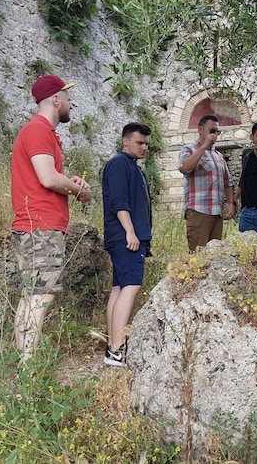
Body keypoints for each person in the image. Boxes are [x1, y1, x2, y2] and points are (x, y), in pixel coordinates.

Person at [11, 74, 92, 364]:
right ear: (56, 100)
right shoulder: (38, 131)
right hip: (41, 226)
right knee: (40, 297)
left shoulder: (42, 133)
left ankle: (25, 370)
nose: (71, 102)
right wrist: (78, 189)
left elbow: (47, 175)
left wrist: (66, 182)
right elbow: (47, 178)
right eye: (67, 97)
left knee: (32, 295)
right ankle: (28, 373)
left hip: (37, 225)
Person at [101, 122, 153, 367]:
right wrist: (130, 232)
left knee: (120, 288)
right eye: (139, 142)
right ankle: (116, 348)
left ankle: (113, 347)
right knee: (131, 285)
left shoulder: (129, 166)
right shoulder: (120, 164)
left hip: (123, 237)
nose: (144, 147)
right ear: (125, 141)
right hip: (126, 237)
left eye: (146, 144)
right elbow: (119, 202)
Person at [178, 114, 235, 252]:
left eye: (217, 132)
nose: (215, 135)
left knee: (214, 257)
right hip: (199, 211)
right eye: (211, 131)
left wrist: (231, 204)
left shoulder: (218, 156)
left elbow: (228, 182)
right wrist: (203, 146)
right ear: (200, 130)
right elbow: (184, 168)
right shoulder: (189, 149)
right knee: (198, 257)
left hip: (217, 212)